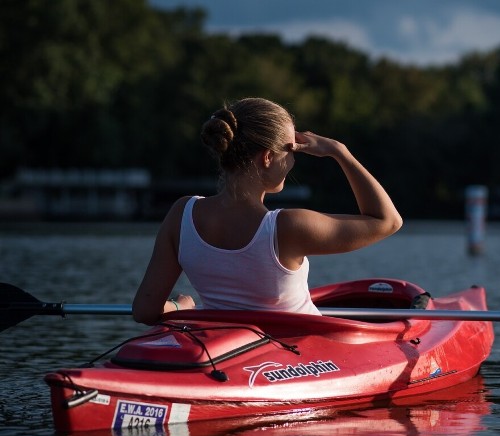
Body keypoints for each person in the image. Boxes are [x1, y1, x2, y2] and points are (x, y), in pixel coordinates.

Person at [132, 97, 403, 325]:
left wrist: (182, 309)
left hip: (229, 355)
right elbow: (388, 220)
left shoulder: (182, 214)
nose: (294, 159)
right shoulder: (288, 226)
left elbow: (145, 311)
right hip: (298, 361)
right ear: (268, 158)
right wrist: (340, 152)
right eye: (292, 149)